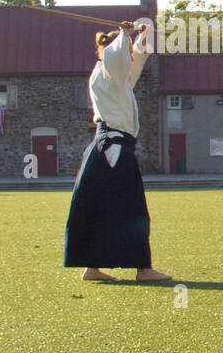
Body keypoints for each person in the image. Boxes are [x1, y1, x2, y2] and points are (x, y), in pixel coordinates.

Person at [65, 22, 170, 282]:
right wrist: (125, 34)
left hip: (108, 148)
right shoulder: (109, 70)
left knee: (99, 206)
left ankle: (92, 267)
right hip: (114, 149)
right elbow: (119, 59)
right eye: (127, 52)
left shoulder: (116, 79)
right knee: (132, 210)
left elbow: (134, 61)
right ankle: (143, 269)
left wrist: (145, 33)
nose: (131, 58)